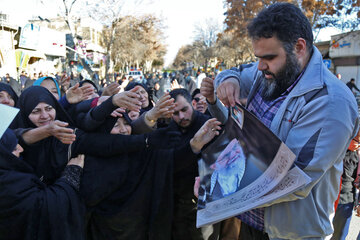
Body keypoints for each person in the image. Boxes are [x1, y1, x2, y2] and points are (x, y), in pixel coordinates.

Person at [201, 3, 359, 239]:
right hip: (250, 221)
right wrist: (228, 80)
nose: (260, 66)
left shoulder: (331, 102)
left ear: (299, 47)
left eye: (269, 57)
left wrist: (216, 180)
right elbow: (234, 71)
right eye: (258, 57)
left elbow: (291, 179)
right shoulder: (270, 70)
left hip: (290, 232)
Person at [0, 127, 86, 240]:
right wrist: (71, 174)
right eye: (14, 148)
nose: (21, 149)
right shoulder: (10, 183)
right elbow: (46, 206)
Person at [331, 132, 360, 240]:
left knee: (339, 235)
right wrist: (345, 144)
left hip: (346, 197)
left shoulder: (356, 150)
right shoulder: (335, 143)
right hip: (328, 194)